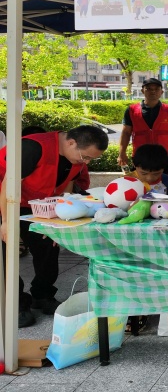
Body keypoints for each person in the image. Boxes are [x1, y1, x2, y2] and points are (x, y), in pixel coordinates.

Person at [0, 125, 108, 327]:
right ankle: (17, 304)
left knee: (48, 244)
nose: (87, 162)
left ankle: (43, 294)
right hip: (5, 198)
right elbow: (9, 183)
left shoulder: (75, 156)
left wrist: (56, 219)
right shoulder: (33, 147)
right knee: (7, 251)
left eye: (92, 159)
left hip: (37, 203)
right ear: (71, 143)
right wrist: (6, 222)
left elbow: (66, 186)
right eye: (86, 157)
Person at [119, 78, 168, 175]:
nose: (153, 91)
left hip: (163, 155)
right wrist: (121, 152)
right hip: (140, 155)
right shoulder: (132, 110)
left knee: (163, 184)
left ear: (161, 92)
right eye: (148, 88)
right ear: (142, 91)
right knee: (140, 185)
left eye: (156, 89)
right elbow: (126, 133)